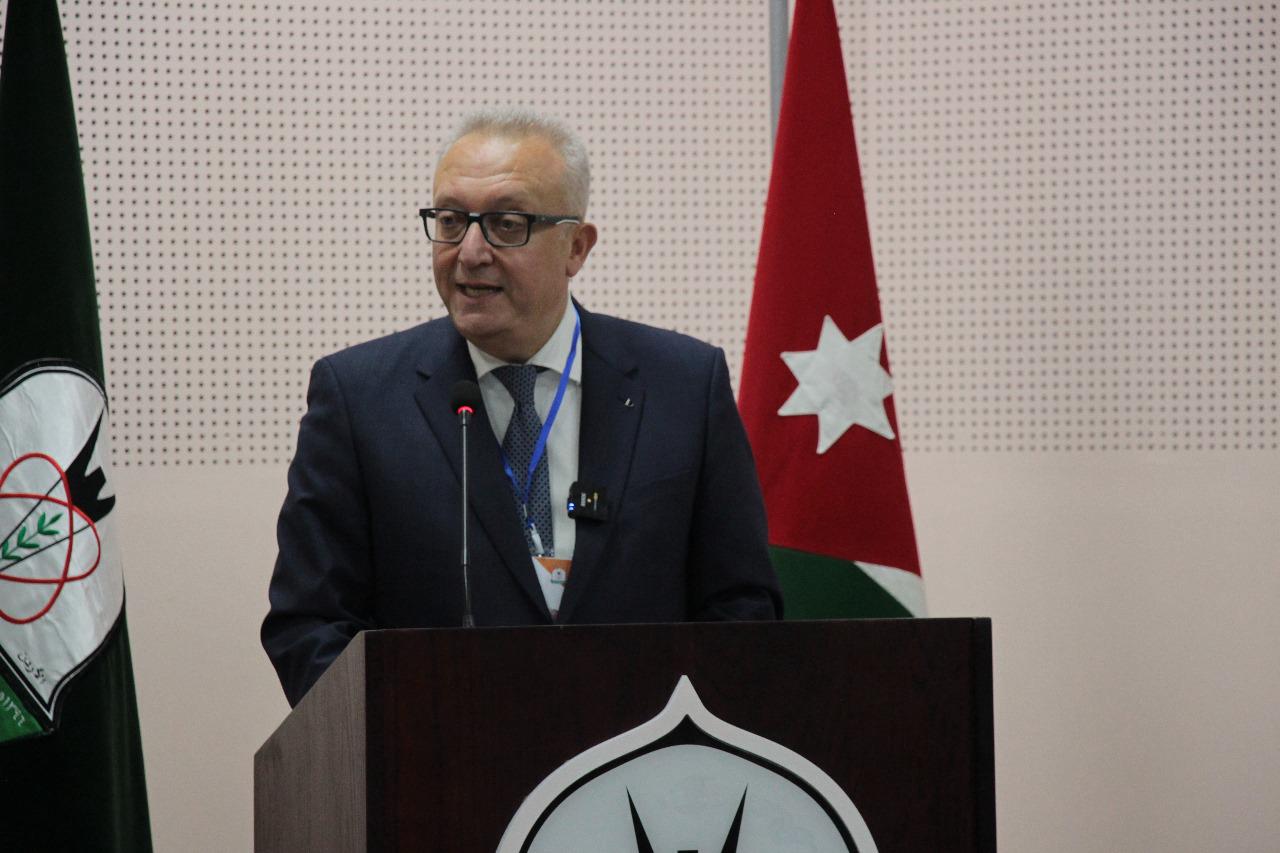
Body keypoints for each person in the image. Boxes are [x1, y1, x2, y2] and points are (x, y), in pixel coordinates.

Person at [262, 108, 781, 707]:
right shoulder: (358, 398)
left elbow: (741, 608)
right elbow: (310, 626)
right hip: (441, 752)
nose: (470, 252)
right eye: (451, 221)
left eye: (506, 224)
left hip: (647, 753)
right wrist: (405, 735)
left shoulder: (684, 386)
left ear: (576, 247)